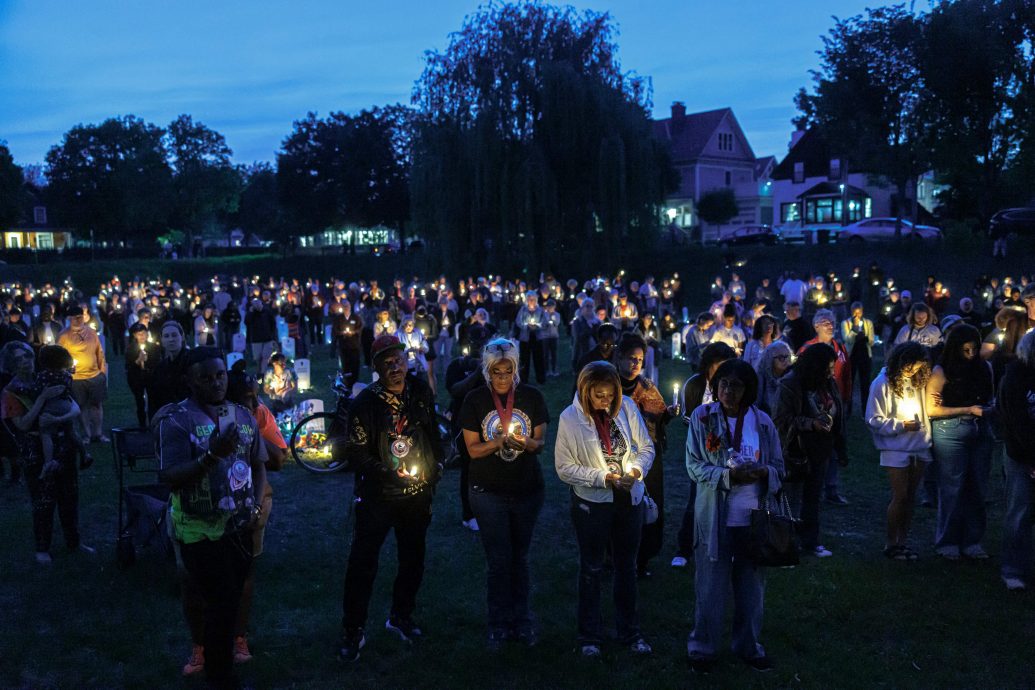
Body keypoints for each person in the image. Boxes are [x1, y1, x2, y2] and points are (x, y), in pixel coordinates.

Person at [156, 348, 267, 689]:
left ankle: (220, 667)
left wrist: (257, 506)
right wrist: (210, 456)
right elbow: (170, 475)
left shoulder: (242, 415)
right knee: (220, 601)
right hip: (200, 530)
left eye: (220, 375)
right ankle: (220, 675)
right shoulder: (175, 419)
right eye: (205, 377)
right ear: (189, 381)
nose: (216, 382)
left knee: (230, 599)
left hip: (240, 526)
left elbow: (258, 462)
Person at [339, 335, 444, 663]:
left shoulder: (419, 392)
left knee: (413, 559)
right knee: (362, 564)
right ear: (376, 368)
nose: (395, 367)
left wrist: (438, 463)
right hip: (378, 498)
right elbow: (355, 452)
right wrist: (385, 472)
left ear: (406, 359)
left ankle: (401, 616)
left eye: (398, 359)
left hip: (416, 496)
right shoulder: (365, 404)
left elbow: (431, 430)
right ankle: (353, 630)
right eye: (386, 363)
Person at [685, 358, 783, 673]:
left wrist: (761, 472)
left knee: (751, 588)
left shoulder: (763, 423)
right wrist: (728, 477)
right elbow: (694, 465)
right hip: (714, 515)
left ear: (748, 389)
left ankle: (748, 646)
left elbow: (780, 469)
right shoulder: (702, 418)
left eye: (736, 385)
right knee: (710, 586)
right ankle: (703, 648)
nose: (728, 391)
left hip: (752, 518)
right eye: (723, 384)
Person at [555, 361, 654, 657]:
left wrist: (635, 472)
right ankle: (589, 636)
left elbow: (646, 447)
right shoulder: (570, 419)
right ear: (586, 392)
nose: (606, 401)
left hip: (628, 501)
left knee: (627, 567)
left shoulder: (626, 409)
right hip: (592, 504)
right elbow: (563, 467)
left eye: (611, 395)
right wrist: (603, 478)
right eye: (599, 395)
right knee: (591, 568)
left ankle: (630, 631)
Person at [459, 338, 549, 650]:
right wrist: (498, 443)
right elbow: (472, 450)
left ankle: (522, 620)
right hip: (487, 492)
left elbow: (540, 444)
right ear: (487, 371)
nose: (502, 378)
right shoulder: (474, 400)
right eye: (496, 372)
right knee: (499, 560)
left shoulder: (532, 397)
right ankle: (498, 623)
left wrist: (525, 443)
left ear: (516, 370)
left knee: (520, 559)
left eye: (507, 371)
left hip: (527, 490)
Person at [1, 341, 92, 564]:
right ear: (11, 364)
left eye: (29, 356)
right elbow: (22, 425)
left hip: (62, 443)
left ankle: (74, 541)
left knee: (69, 495)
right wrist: (42, 400)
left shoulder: (49, 376)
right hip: (35, 450)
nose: (26, 361)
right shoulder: (11, 392)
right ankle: (42, 548)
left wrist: (59, 418)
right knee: (43, 499)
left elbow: (74, 407)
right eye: (20, 358)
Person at [227, 362, 287, 664]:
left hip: (253, 501)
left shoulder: (258, 413)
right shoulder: (210, 416)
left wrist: (249, 429)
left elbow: (277, 460)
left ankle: (239, 638)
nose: (253, 404)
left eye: (255, 398)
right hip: (215, 504)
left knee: (245, 572)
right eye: (245, 399)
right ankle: (204, 644)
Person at [926, 325, 993, 561]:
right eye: (966, 350)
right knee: (952, 486)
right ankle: (948, 540)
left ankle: (972, 540)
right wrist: (967, 409)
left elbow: (989, 395)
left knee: (977, 486)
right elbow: (932, 409)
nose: (972, 354)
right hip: (951, 430)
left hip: (980, 428)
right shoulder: (942, 371)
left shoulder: (984, 368)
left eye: (975, 349)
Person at [614, 333, 677, 578]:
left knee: (649, 504)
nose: (635, 364)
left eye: (640, 359)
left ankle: (643, 558)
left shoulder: (648, 388)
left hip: (648, 458)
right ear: (619, 357)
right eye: (631, 358)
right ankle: (615, 555)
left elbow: (658, 417)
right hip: (616, 456)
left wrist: (668, 414)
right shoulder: (608, 386)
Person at [775, 343, 845, 558]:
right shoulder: (790, 384)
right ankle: (783, 541)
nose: (832, 372)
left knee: (813, 496)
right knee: (791, 496)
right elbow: (781, 419)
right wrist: (810, 423)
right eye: (829, 367)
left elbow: (838, 410)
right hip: (797, 448)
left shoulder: (827, 383)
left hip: (821, 448)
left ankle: (810, 541)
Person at [672, 342, 737, 568]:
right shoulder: (695, 385)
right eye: (718, 366)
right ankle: (685, 547)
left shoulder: (732, 386)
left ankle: (726, 545)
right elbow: (689, 418)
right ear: (708, 366)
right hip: (701, 450)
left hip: (728, 450)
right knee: (695, 499)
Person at [866, 342, 932, 561]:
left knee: (911, 497)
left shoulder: (918, 380)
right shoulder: (882, 383)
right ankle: (891, 542)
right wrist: (901, 425)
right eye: (911, 366)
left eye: (918, 367)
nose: (913, 371)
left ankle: (903, 541)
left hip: (919, 446)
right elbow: (873, 419)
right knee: (900, 495)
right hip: (896, 448)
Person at [446, 324, 492, 532]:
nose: (479, 347)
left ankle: (490, 509)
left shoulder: (494, 364)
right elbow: (455, 389)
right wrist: (476, 371)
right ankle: (469, 514)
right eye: (475, 343)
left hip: (490, 423)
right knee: (469, 469)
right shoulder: (457, 365)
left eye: (483, 343)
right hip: (465, 424)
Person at [998, 331, 1035, 590]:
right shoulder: (1016, 376)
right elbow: (1016, 422)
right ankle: (1013, 570)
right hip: (1021, 454)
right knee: (1019, 512)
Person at [57, 304, 108, 443]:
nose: (78, 320)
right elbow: (58, 357)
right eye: (75, 318)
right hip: (76, 378)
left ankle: (98, 433)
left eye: (80, 317)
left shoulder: (91, 332)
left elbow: (100, 353)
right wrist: (66, 369)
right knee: (82, 406)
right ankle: (87, 435)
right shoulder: (63, 336)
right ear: (69, 319)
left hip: (95, 376)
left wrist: (102, 372)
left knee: (96, 404)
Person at [147, 321, 191, 418]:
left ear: (182, 337)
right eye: (166, 336)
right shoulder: (160, 368)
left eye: (174, 335)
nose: (171, 339)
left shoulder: (191, 361)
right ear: (162, 340)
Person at [841, 302, 875, 415]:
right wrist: (854, 330)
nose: (857, 314)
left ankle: (865, 409)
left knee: (865, 383)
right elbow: (847, 340)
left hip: (865, 356)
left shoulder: (868, 323)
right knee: (849, 382)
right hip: (851, 356)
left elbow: (871, 341)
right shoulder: (845, 323)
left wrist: (865, 338)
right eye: (855, 312)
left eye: (859, 312)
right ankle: (848, 409)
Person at [126, 323, 160, 427]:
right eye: (139, 334)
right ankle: (142, 425)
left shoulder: (153, 347)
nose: (142, 336)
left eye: (144, 333)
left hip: (151, 377)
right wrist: (138, 360)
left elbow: (157, 362)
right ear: (135, 335)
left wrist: (148, 361)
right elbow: (128, 366)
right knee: (140, 402)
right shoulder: (131, 348)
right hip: (136, 379)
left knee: (153, 401)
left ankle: (153, 423)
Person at [515, 292, 547, 385]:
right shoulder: (523, 309)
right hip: (525, 337)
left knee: (539, 358)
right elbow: (518, 321)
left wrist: (537, 326)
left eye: (533, 299)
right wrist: (526, 326)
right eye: (529, 299)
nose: (531, 301)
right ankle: (524, 379)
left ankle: (541, 379)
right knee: (525, 359)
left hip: (537, 337)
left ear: (536, 299)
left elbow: (544, 322)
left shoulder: (540, 310)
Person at [755, 341, 793, 417]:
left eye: (787, 356)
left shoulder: (791, 377)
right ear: (770, 359)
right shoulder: (761, 378)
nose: (785, 361)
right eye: (781, 358)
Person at [245, 299, 277, 375]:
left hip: (267, 338)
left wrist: (273, 336)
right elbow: (247, 322)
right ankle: (259, 373)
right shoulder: (251, 314)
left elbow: (273, 324)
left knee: (265, 357)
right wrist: (250, 312)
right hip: (256, 339)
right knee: (258, 358)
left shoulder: (267, 312)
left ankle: (263, 373)